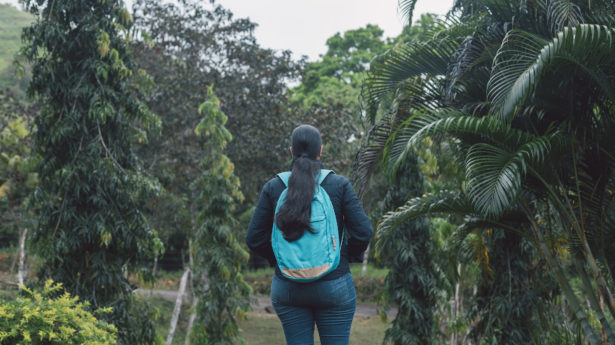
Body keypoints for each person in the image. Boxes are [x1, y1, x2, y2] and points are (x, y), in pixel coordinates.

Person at [246, 124, 373, 345]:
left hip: (288, 288)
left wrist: (280, 260)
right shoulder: (339, 185)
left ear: (291, 151)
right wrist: (343, 258)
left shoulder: (273, 187)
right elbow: (363, 232)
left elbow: (254, 238)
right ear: (321, 151)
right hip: (333, 285)